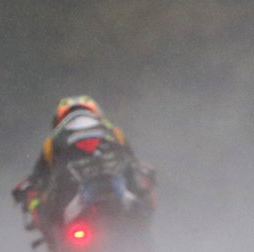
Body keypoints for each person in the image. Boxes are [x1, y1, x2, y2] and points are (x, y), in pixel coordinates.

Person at [12, 96, 155, 237]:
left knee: (51, 216)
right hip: (103, 201)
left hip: (77, 208)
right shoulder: (115, 132)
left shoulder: (53, 142)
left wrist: (27, 191)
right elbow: (133, 162)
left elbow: (39, 177)